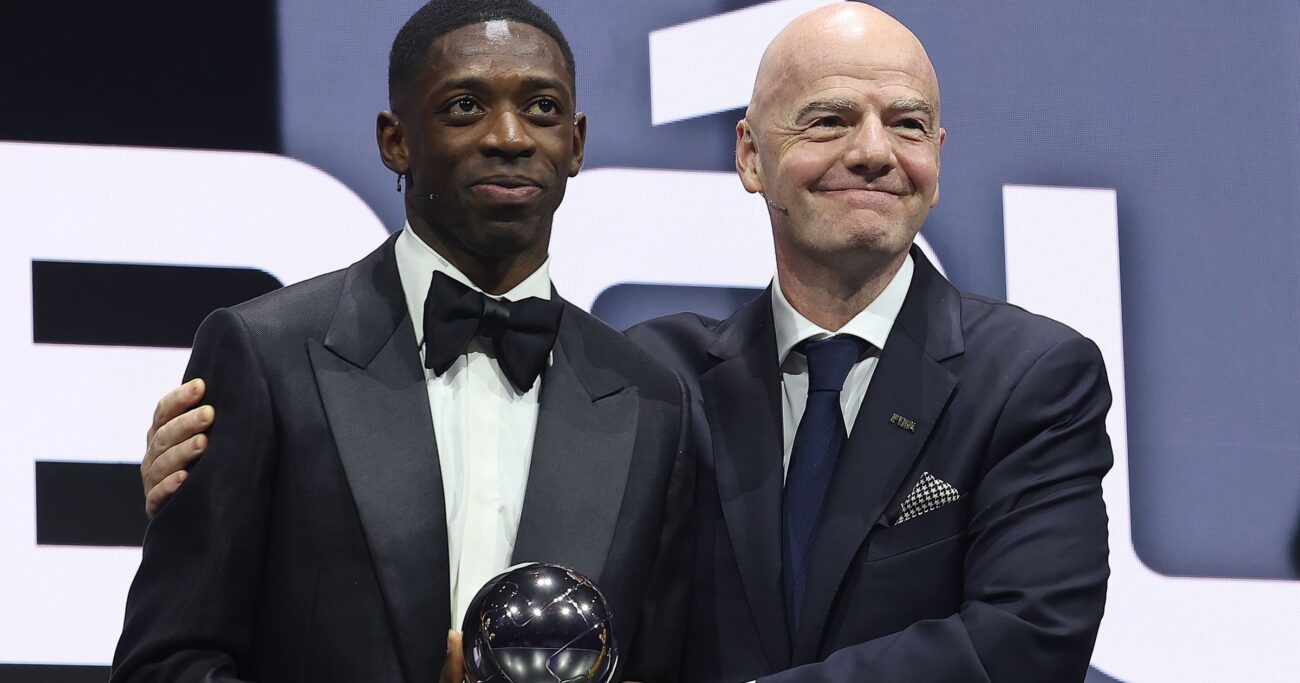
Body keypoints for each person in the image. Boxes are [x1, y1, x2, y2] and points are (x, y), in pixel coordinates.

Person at [142, 3, 1112, 681]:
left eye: (906, 123)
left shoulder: (1032, 376)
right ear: (750, 155)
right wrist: (225, 479)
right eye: (827, 119)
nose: (870, 150)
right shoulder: (662, 378)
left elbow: (1026, 638)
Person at [112, 2, 691, 682]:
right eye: (465, 107)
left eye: (542, 108)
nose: (510, 136)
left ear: (577, 142)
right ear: (396, 141)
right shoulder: (265, 355)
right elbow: (166, 663)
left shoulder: (650, 402)